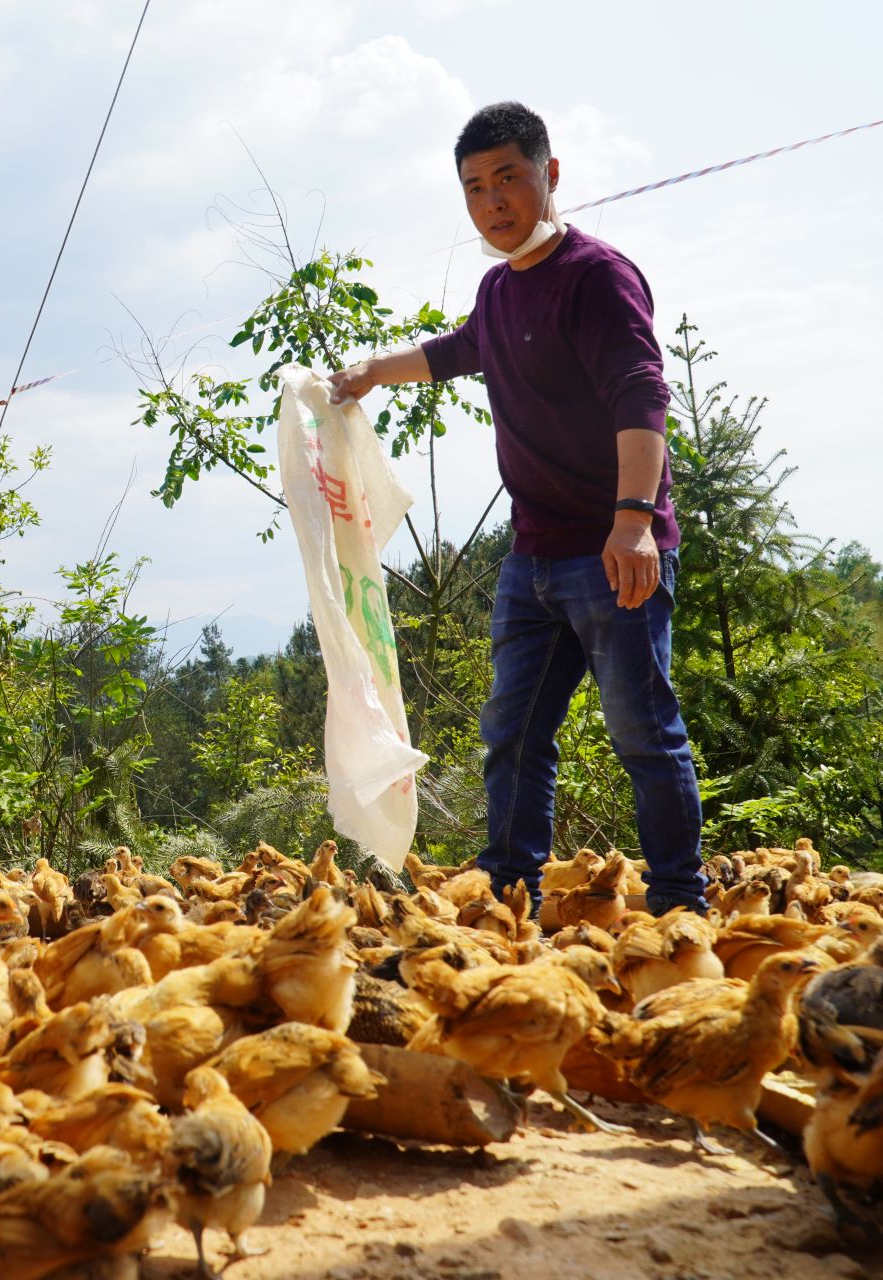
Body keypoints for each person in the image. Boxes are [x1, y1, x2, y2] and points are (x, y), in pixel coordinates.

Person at [327, 101, 707, 916]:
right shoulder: (499, 291)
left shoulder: (599, 277)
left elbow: (642, 396)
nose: (493, 202)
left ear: (550, 174)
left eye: (508, 179)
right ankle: (507, 897)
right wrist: (366, 374)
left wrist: (634, 521)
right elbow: (456, 350)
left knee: (643, 733)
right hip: (532, 559)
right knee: (514, 734)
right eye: (474, 188)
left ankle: (680, 901)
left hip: (613, 551)